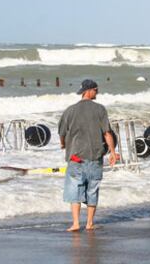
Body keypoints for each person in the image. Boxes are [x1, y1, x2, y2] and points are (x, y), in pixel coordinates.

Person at [59, 79, 117, 231]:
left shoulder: (70, 110)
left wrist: (63, 144)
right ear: (89, 90)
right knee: (92, 189)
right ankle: (90, 223)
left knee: (74, 189)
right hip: (94, 157)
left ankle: (76, 223)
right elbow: (107, 133)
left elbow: (62, 132)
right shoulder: (100, 110)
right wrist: (112, 152)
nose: (97, 93)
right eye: (96, 90)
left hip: (75, 158)